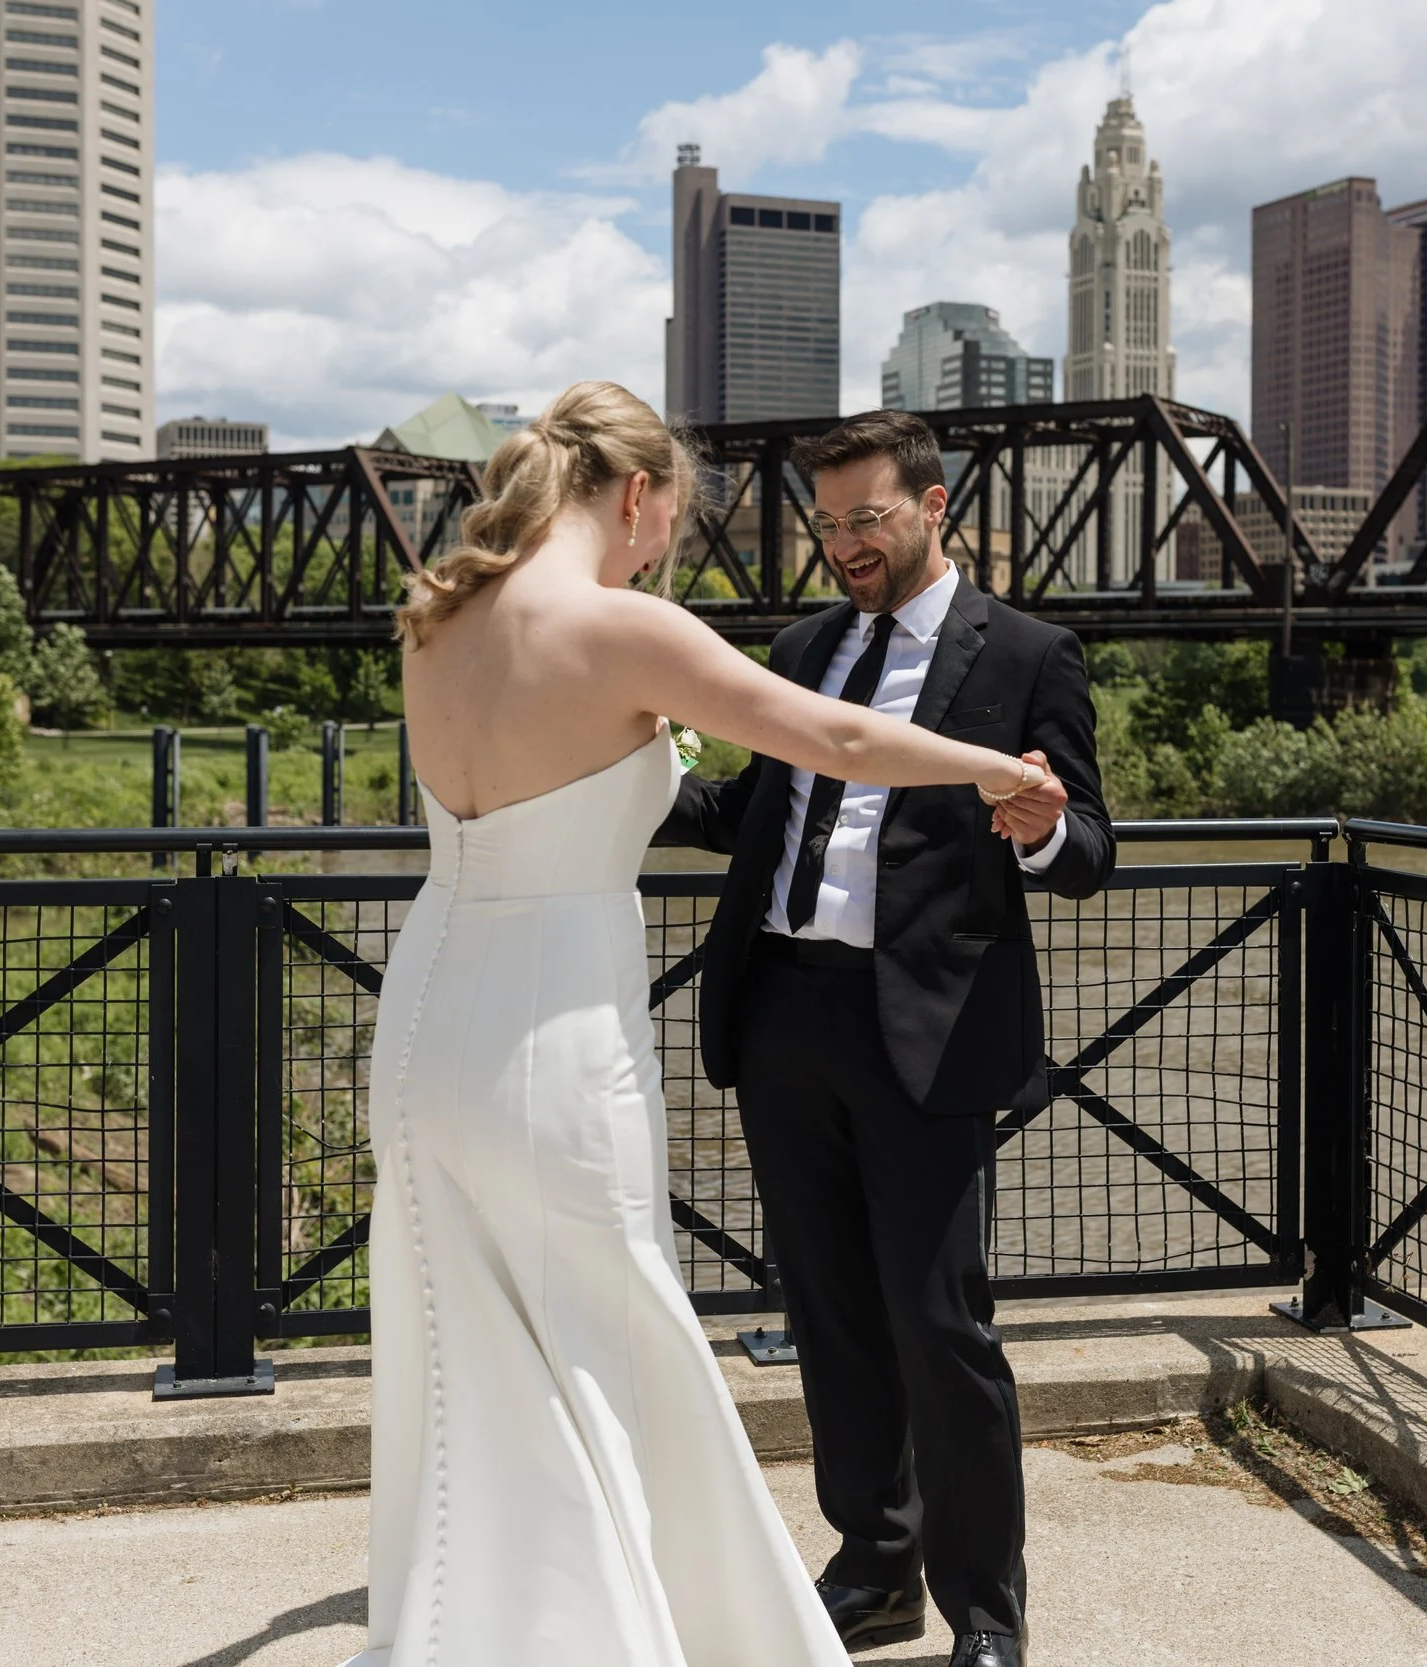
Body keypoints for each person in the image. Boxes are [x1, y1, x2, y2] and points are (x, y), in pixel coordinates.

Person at [350, 382, 1058, 1667]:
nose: (657, 552)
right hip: (553, 1030)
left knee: (468, 1345)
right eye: (665, 524)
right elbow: (837, 741)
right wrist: (992, 767)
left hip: (425, 1024)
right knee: (615, 1326)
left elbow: (568, 785)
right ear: (635, 492)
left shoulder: (435, 617)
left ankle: (487, 1620)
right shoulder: (625, 626)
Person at [658, 410, 1116, 1667]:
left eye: (867, 517)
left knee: (938, 1323)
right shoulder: (802, 645)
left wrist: (1040, 826)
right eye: (828, 522)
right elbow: (751, 813)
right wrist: (622, 770)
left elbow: (1089, 849)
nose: (844, 543)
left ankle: (986, 1612)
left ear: (933, 505)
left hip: (926, 1027)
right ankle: (874, 1566)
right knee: (831, 1313)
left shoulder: (1027, 652)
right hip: (782, 1012)